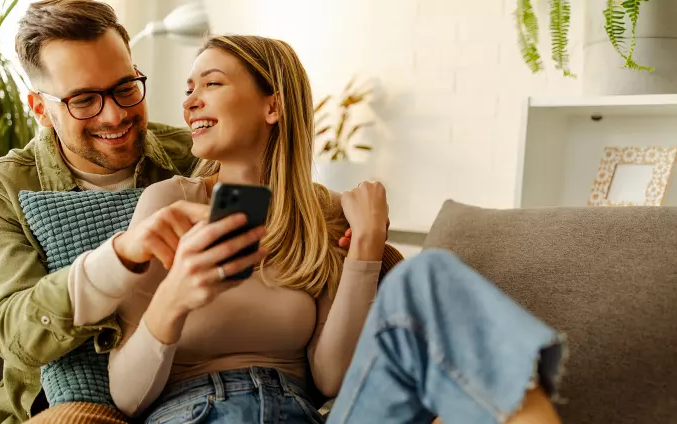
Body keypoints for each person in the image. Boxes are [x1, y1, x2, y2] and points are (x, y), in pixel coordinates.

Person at [30, 34, 566, 424]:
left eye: (211, 84)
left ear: (273, 106)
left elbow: (331, 379)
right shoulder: (169, 203)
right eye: (189, 87)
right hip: (195, 413)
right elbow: (125, 398)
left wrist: (365, 251)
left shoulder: (325, 215)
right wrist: (174, 297)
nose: (189, 100)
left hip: (306, 414)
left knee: (428, 277)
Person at [0, 1, 198, 423]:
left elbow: (283, 205)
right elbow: (13, 332)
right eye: (85, 100)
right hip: (68, 406)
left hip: (192, 387)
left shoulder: (194, 156)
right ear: (41, 109)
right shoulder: (2, 187)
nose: (115, 114)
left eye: (125, 87)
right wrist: (119, 258)